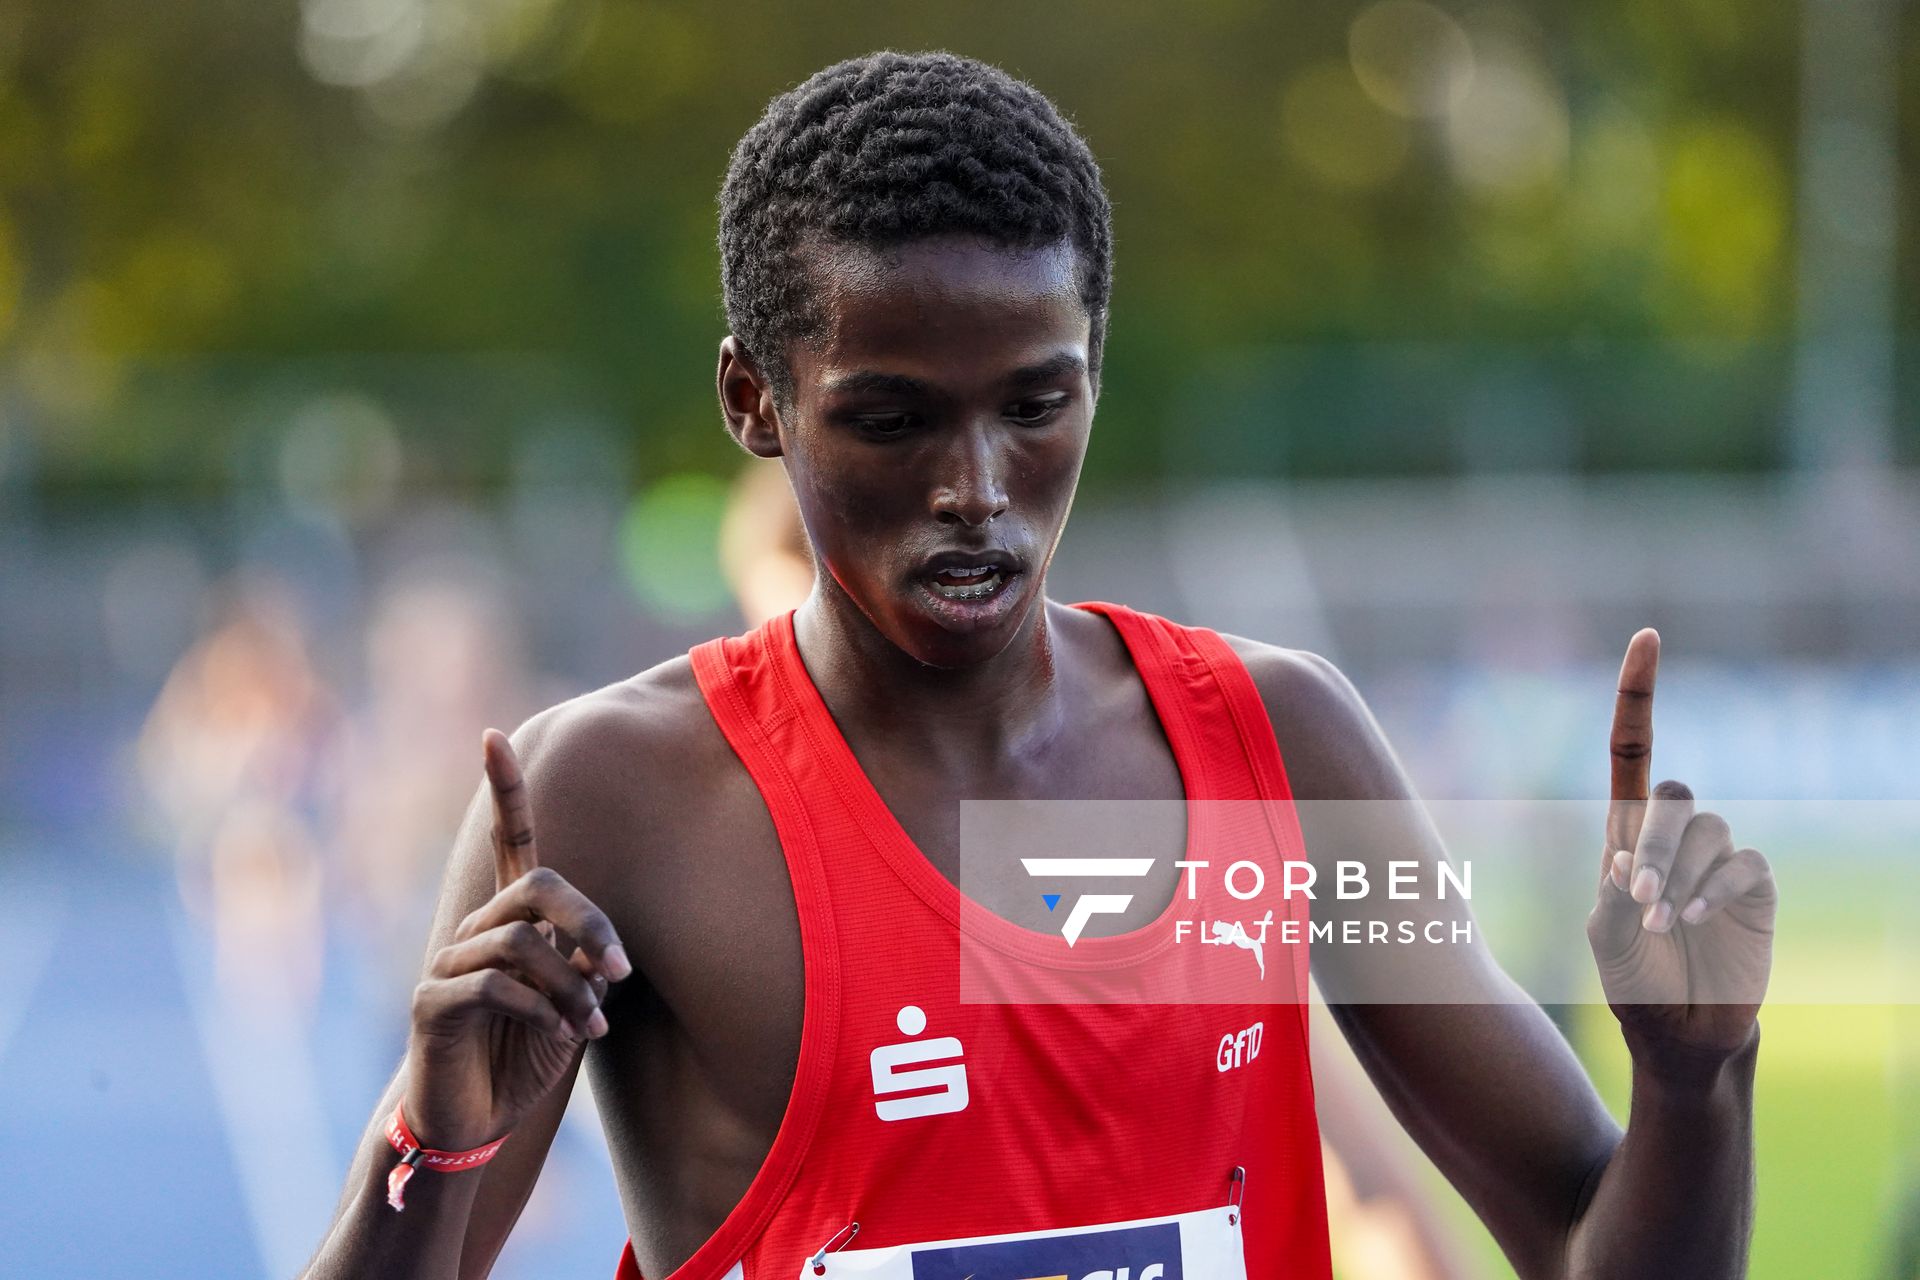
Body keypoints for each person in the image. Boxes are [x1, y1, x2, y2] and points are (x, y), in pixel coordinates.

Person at [302, 52, 1776, 1280]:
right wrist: (438, 1147)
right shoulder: (611, 800)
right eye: (893, 420)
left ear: (1093, 373)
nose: (978, 488)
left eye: (1035, 404)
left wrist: (1696, 1084)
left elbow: (1592, 1239)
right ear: (757, 400)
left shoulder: (1284, 744)